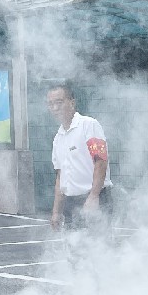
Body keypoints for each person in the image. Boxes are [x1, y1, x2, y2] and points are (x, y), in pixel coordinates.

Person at [48, 81, 113, 230]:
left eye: (59, 102)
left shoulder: (89, 125)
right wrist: (56, 211)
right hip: (71, 203)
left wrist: (94, 196)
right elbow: (60, 176)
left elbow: (101, 161)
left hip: (96, 198)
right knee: (73, 249)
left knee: (98, 248)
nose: (55, 108)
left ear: (72, 102)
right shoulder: (58, 138)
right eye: (51, 104)